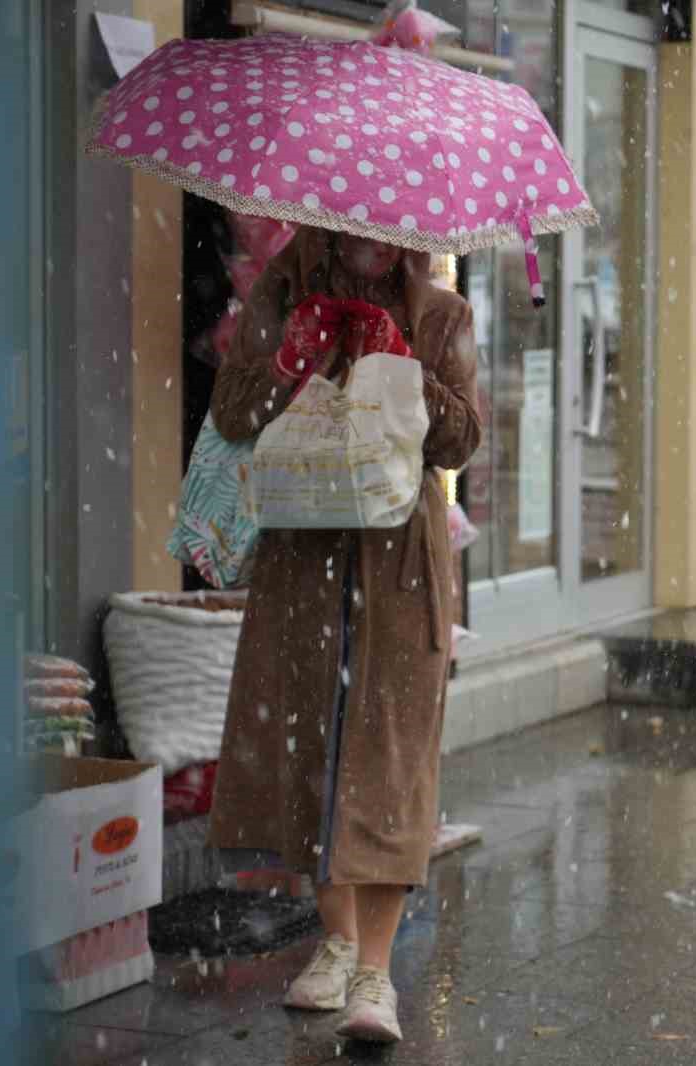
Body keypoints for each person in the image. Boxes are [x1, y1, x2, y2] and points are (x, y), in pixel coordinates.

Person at [206, 227, 480, 1044]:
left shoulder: (444, 314)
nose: (372, 242)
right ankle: (333, 940)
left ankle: (374, 973)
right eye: (356, 227)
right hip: (305, 556)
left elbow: (462, 439)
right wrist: (293, 357)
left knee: (390, 759)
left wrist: (405, 368)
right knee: (312, 751)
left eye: (388, 231)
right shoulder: (284, 294)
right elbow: (230, 412)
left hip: (400, 565)